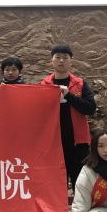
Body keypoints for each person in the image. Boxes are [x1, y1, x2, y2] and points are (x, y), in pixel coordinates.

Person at [41, 44, 96, 190]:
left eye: (65, 57)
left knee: (82, 184)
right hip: (53, 143)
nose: (61, 60)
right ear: (51, 61)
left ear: (72, 61)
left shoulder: (80, 84)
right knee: (55, 186)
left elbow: (90, 108)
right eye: (57, 57)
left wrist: (68, 95)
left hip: (78, 143)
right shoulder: (44, 85)